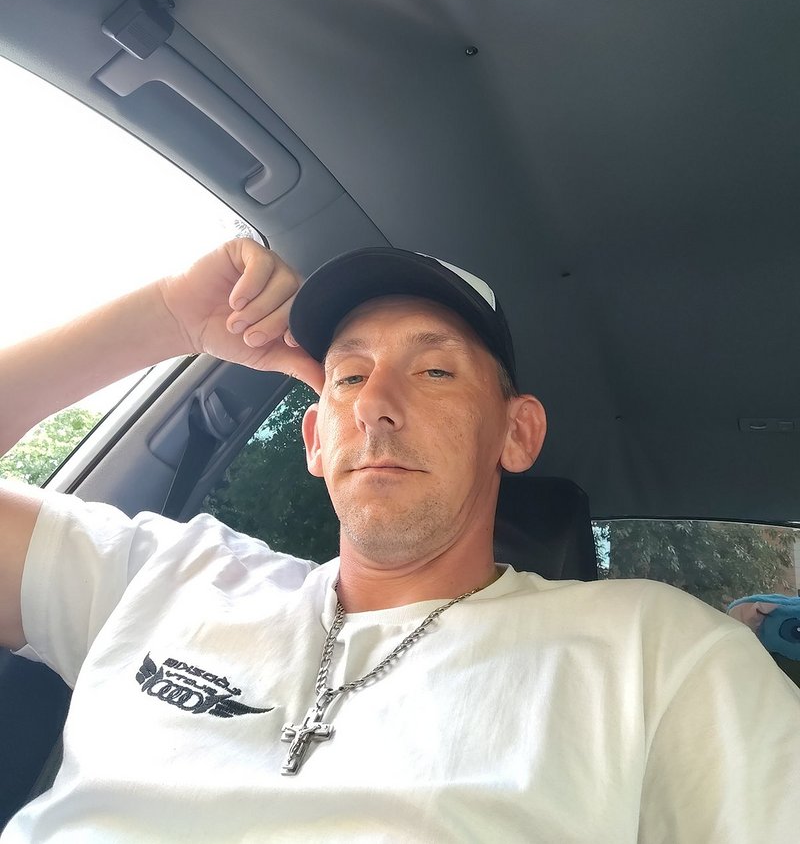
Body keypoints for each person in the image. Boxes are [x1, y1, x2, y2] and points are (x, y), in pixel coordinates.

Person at [0, 238, 798, 842]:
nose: (374, 404)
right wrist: (166, 317)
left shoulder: (659, 656)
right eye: (348, 375)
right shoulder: (170, 572)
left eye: (435, 372)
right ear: (316, 439)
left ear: (517, 433)